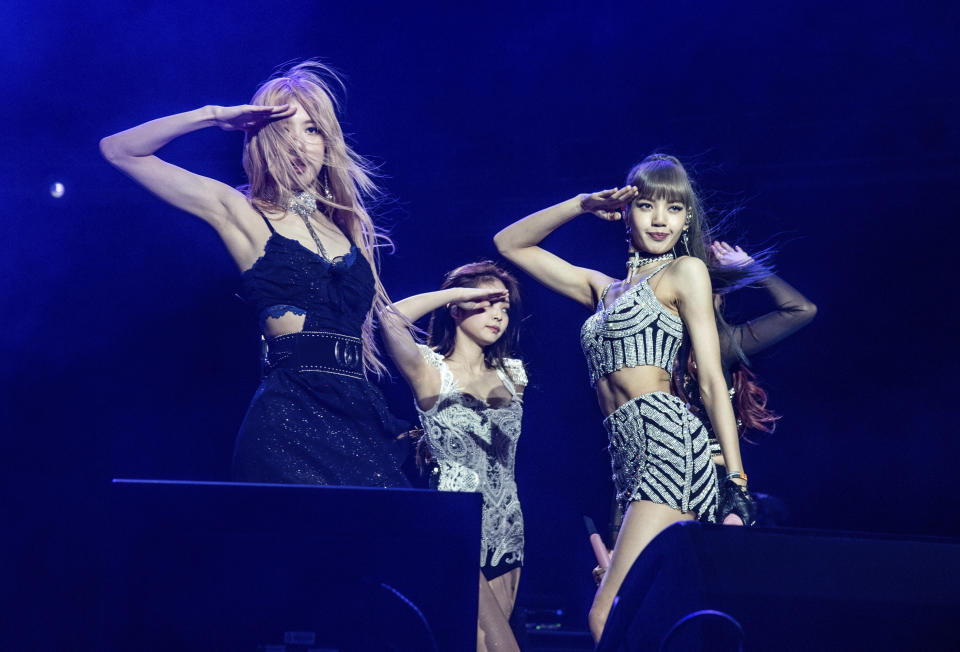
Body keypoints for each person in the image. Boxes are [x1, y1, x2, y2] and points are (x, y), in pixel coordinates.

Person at [99, 61, 409, 487]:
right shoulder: (241, 212)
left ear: (328, 143)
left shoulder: (349, 225)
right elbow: (119, 150)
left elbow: (389, 321)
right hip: (288, 425)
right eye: (285, 129)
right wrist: (212, 115)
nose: (300, 144)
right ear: (262, 139)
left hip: (361, 419)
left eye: (312, 130)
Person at [494, 154, 756, 641]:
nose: (660, 219)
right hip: (626, 459)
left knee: (604, 616)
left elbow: (712, 380)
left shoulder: (685, 271)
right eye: (648, 205)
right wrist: (581, 204)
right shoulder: (603, 290)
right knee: (645, 614)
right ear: (625, 211)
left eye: (675, 209)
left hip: (668, 446)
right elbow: (509, 243)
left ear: (687, 220)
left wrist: (736, 479)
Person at [380, 261, 526, 652]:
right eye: (487, 302)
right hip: (456, 522)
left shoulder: (513, 374)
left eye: (505, 307)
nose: (498, 313)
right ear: (458, 307)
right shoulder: (430, 369)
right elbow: (389, 318)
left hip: (507, 527)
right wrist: (459, 293)